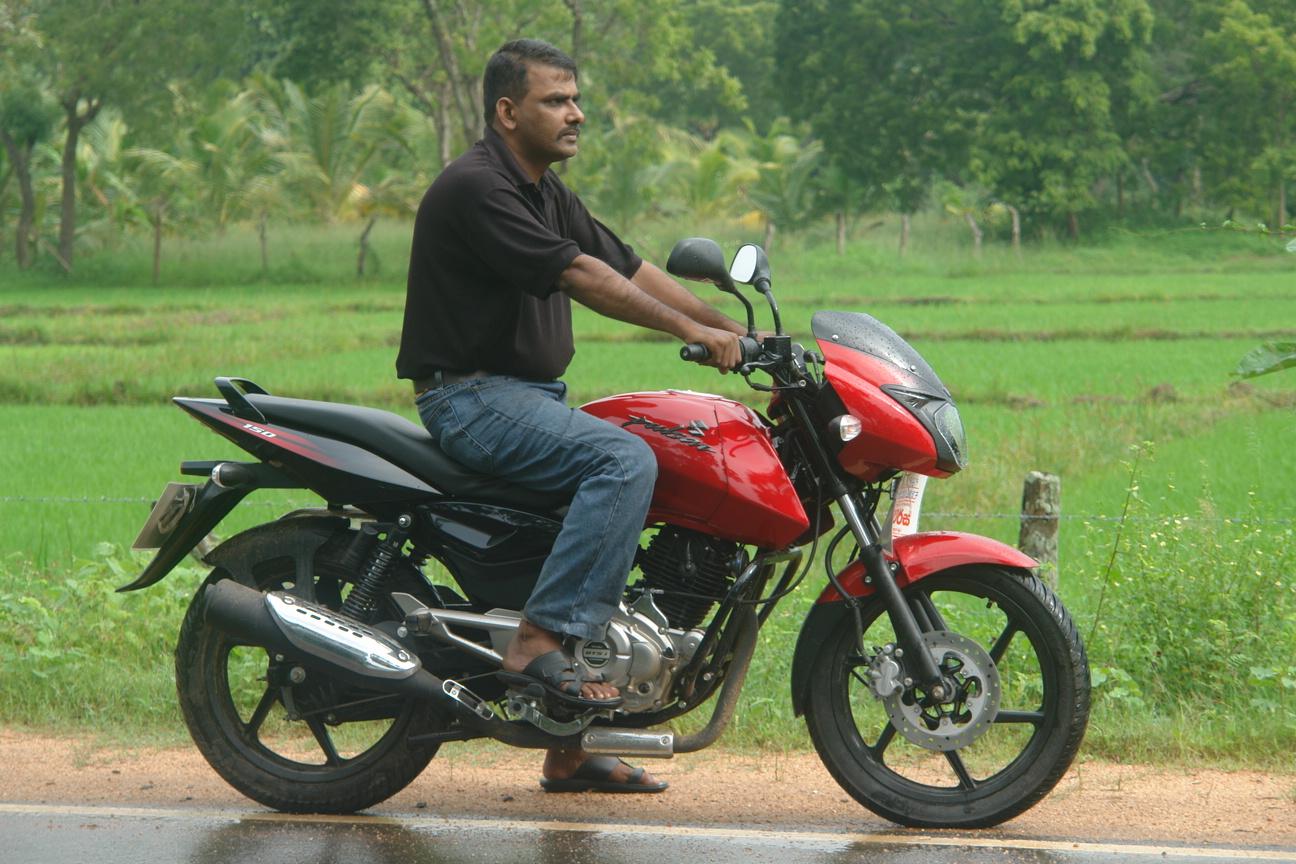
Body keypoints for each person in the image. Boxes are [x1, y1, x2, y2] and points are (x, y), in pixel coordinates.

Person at [396, 38, 746, 793]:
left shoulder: (544, 191)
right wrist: (688, 332)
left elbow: (628, 264)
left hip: (526, 398)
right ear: (507, 111)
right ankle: (536, 641)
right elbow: (583, 275)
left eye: (576, 98)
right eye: (556, 100)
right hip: (474, 398)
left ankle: (569, 745)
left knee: (647, 470)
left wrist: (735, 330)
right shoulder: (479, 187)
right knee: (621, 460)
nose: (576, 113)